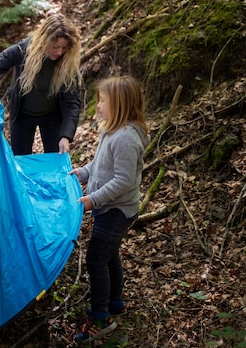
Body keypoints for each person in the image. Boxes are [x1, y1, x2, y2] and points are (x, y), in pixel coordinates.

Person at [69, 75, 149, 343]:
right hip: (110, 208)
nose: (98, 105)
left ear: (120, 104)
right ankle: (115, 301)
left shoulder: (126, 138)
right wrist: (82, 173)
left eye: (102, 101)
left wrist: (94, 199)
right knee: (109, 254)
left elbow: (123, 181)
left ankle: (101, 317)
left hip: (117, 211)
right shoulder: (111, 130)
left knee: (96, 259)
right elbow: (100, 164)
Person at [0, 13, 82, 155]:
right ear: (44, 40)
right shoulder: (23, 50)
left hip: (52, 115)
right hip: (22, 114)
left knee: (55, 158)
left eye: (64, 48)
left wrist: (66, 136)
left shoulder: (67, 63)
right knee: (21, 160)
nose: (59, 52)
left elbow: (72, 104)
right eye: (55, 47)